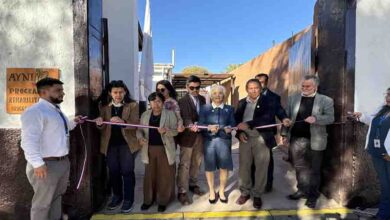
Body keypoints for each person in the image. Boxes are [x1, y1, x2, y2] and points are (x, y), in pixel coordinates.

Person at [21, 77, 83, 220]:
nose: (62, 93)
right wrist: (38, 164)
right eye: (58, 90)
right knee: (42, 205)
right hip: (45, 165)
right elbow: (29, 141)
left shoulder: (55, 110)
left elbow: (61, 128)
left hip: (61, 163)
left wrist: (73, 121)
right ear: (43, 92)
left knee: (56, 200)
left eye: (62, 90)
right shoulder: (35, 112)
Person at [235, 79, 290, 209]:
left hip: (262, 137)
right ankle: (245, 192)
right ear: (246, 89)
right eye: (250, 88)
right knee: (244, 166)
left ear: (260, 89)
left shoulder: (269, 101)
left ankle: (257, 194)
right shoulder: (242, 102)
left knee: (261, 167)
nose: (253, 90)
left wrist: (284, 118)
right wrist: (239, 133)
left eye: (256, 88)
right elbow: (236, 120)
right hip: (245, 137)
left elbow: (268, 116)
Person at [281, 75, 334, 209]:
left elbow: (330, 118)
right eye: (303, 86)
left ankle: (312, 196)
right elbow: (286, 115)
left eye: (307, 86)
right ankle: (302, 190)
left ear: (315, 86)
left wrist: (316, 118)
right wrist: (284, 131)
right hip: (296, 138)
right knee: (299, 167)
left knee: (314, 170)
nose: (304, 88)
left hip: (316, 140)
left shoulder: (326, 100)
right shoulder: (293, 98)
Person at [94, 80, 140, 213]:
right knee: (113, 172)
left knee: (127, 172)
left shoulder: (132, 105)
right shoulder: (104, 107)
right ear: (110, 93)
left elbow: (135, 124)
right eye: (115, 92)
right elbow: (101, 128)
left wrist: (123, 122)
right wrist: (99, 123)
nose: (118, 95)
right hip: (110, 145)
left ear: (125, 92)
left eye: (121, 92)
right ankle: (117, 196)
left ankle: (128, 199)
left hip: (127, 145)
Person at [351, 88, 390, 220]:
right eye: (388, 95)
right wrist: (361, 116)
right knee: (385, 187)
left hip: (388, 156)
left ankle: (384, 215)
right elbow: (372, 120)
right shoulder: (383, 109)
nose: (388, 98)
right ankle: (383, 214)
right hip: (377, 153)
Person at [193, 85, 236, 204]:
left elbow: (233, 123)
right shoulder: (204, 108)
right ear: (211, 95)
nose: (218, 95)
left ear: (224, 95)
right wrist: (208, 128)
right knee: (210, 167)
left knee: (224, 167)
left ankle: (221, 191)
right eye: (215, 93)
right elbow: (200, 124)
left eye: (220, 93)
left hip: (224, 141)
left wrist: (230, 128)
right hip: (209, 142)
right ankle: (212, 191)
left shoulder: (229, 108)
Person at [137, 92, 178, 212]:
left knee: (164, 176)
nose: (156, 104)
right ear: (149, 103)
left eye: (159, 101)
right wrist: (140, 138)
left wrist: (166, 131)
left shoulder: (170, 114)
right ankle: (148, 200)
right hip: (149, 149)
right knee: (149, 175)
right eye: (153, 101)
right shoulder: (145, 114)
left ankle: (162, 201)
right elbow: (139, 130)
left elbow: (175, 131)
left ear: (163, 102)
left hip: (165, 149)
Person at [254, 73, 290, 192]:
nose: (260, 84)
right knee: (253, 160)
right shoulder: (251, 96)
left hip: (268, 133)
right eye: (258, 81)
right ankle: (254, 183)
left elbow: (279, 111)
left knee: (268, 160)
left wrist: (284, 118)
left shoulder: (274, 97)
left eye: (262, 82)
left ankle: (268, 184)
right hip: (252, 133)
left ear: (267, 82)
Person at [176, 75, 206, 205]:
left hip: (200, 137)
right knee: (184, 164)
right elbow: (184, 117)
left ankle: (193, 185)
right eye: (192, 87)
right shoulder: (181, 101)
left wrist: (204, 124)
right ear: (186, 87)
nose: (195, 90)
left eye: (197, 88)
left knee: (197, 162)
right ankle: (182, 191)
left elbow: (205, 115)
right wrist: (190, 125)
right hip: (187, 137)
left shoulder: (203, 99)